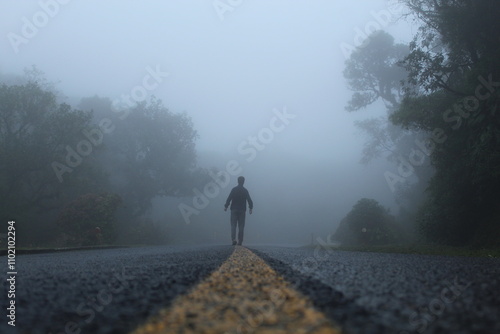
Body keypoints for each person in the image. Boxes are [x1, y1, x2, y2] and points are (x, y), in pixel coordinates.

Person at [224, 176, 253, 246]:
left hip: (234, 209)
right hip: (242, 210)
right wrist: (250, 208)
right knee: (241, 226)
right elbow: (249, 200)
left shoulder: (234, 189)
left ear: (238, 181)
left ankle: (233, 239)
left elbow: (229, 198)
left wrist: (226, 206)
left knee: (233, 225)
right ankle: (240, 241)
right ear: (243, 182)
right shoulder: (245, 190)